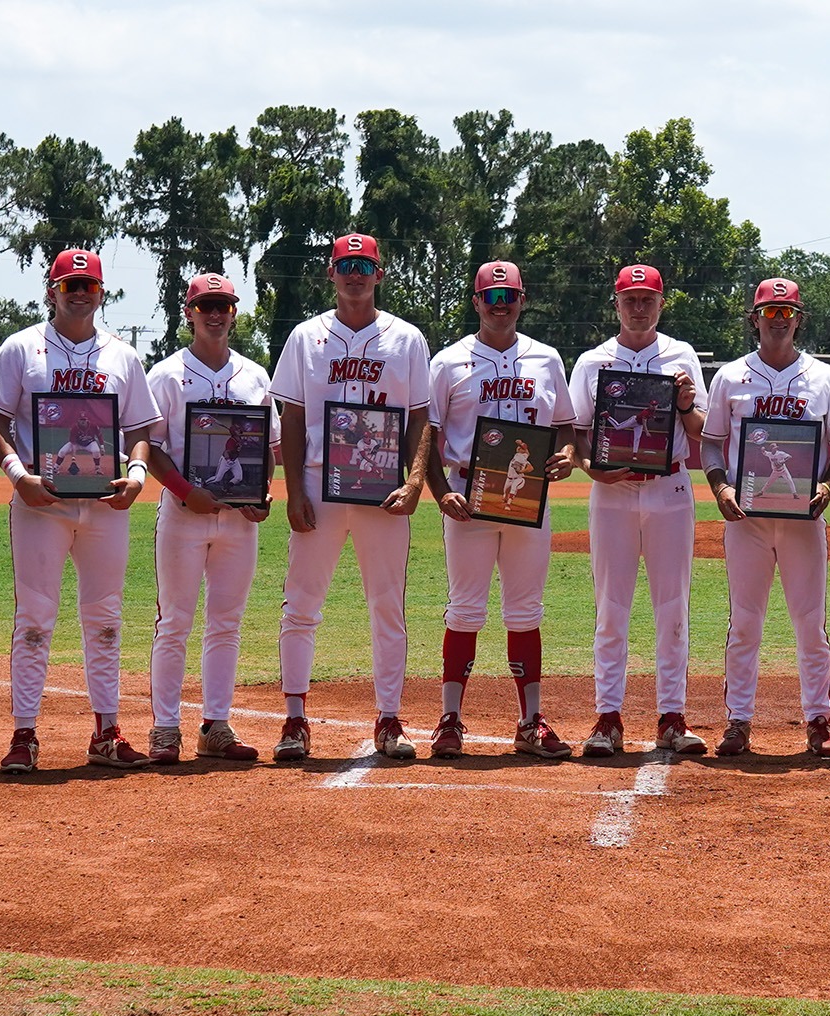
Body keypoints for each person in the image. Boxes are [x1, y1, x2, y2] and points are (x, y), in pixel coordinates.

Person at [0, 248, 162, 772]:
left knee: (105, 617)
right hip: (42, 503)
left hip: (106, 505)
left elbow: (140, 433)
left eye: (88, 286)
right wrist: (19, 477)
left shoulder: (122, 355)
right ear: (51, 290)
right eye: (70, 285)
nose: (80, 293)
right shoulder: (20, 348)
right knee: (35, 617)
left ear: (101, 292)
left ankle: (107, 732)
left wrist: (135, 477)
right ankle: (24, 735)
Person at [269, 234, 432, 762]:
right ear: (331, 273)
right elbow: (291, 417)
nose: (355, 274)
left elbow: (420, 418)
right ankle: (294, 720)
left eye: (365, 265)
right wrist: (294, 490)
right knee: (301, 605)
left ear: (380, 273)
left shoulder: (406, 339)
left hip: (382, 486)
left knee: (387, 606)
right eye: (346, 265)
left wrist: (414, 480)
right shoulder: (305, 337)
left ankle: (389, 719)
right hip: (320, 481)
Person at [424, 260, 578, 759]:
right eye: (490, 297)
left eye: (507, 296)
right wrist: (439, 489)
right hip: (469, 499)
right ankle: (450, 719)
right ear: (476, 303)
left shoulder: (547, 358)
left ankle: (531, 721)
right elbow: (428, 434)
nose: (499, 305)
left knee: (525, 611)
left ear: (522, 300)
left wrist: (568, 454)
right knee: (465, 609)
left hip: (529, 498)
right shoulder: (448, 362)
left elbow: (566, 426)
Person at [700, 277, 830, 756]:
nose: (778, 320)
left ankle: (819, 719)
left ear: (798, 318)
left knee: (810, 622)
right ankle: (738, 721)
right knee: (745, 622)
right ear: (754, 318)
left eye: (786, 312)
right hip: (748, 520)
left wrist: (828, 485)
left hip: (804, 519)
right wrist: (719, 485)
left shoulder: (825, 378)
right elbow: (711, 441)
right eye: (769, 312)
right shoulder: (730, 377)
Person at [570, 264, 709, 757]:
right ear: (616, 302)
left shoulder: (682, 354)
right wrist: (592, 469)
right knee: (611, 607)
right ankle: (608, 716)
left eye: (647, 298)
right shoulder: (591, 361)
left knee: (673, 608)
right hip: (612, 493)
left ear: (661, 302)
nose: (638, 306)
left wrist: (689, 403)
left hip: (669, 487)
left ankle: (672, 716)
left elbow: (699, 431)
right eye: (630, 298)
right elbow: (576, 433)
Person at [141, 272, 274, 764]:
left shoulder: (254, 376)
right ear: (189, 313)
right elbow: (150, 449)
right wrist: (183, 491)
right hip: (183, 514)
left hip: (237, 520)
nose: (215, 314)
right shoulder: (166, 374)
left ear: (234, 313)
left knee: (226, 622)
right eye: (206, 306)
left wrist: (263, 495)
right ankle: (165, 727)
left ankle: (216, 724)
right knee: (174, 621)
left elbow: (267, 446)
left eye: (224, 306)